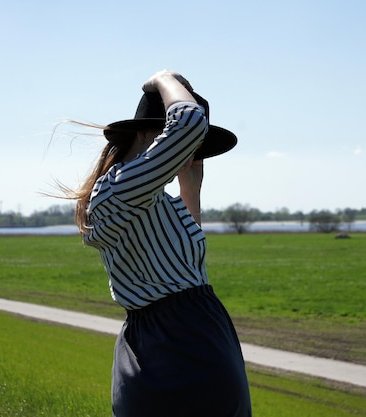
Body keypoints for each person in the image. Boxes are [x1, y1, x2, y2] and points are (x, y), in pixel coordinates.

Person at [69, 70, 251, 417]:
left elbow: (184, 267)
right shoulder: (120, 188)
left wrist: (190, 188)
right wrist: (163, 79)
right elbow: (189, 123)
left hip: (187, 340)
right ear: (141, 132)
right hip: (179, 347)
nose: (188, 151)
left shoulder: (142, 198)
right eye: (172, 139)